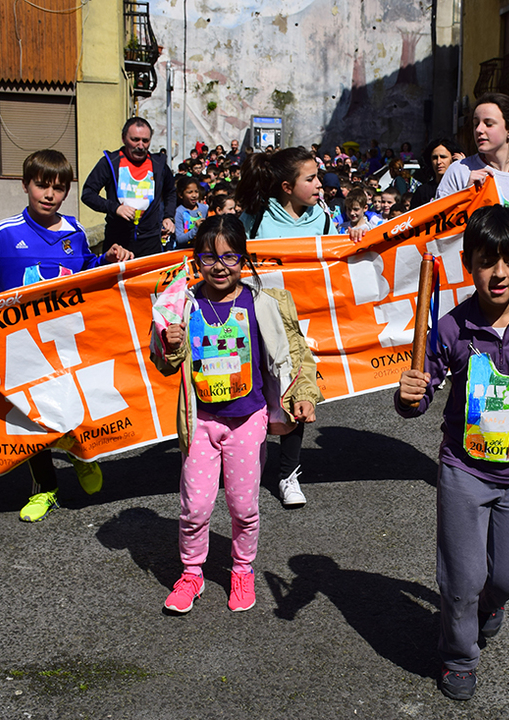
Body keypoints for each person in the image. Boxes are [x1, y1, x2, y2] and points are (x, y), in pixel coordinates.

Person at [395, 205, 509, 701]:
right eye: (486, 262)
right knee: (462, 578)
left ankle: (491, 603)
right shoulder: (451, 329)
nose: (498, 273)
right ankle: (459, 655)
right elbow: (421, 395)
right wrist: (409, 397)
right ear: (469, 265)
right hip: (464, 471)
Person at [0, 149, 134, 522]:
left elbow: (85, 269)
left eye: (58, 188)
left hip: (67, 344)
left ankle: (80, 451)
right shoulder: (5, 233)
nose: (49, 194)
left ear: (66, 192)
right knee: (32, 419)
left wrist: (106, 260)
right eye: (42, 185)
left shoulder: (74, 231)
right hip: (22, 348)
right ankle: (45, 490)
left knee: (74, 406)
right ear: (26, 185)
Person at [150, 215, 314, 613]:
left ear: (244, 258)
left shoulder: (265, 303)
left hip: (248, 421)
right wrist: (169, 341)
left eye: (230, 257)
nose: (220, 266)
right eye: (209, 258)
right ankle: (192, 573)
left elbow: (296, 354)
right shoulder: (181, 305)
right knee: (195, 508)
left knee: (244, 508)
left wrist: (303, 395)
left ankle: (242, 569)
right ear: (196, 261)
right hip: (200, 422)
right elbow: (165, 364)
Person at [235, 147, 361, 507]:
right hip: (257, 321)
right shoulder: (256, 217)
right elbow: (230, 253)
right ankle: (248, 465)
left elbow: (342, 256)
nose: (320, 184)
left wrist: (358, 233)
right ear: (287, 187)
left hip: (300, 326)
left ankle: (288, 475)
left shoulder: (323, 218)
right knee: (256, 393)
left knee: (297, 394)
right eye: (311, 178)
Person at [435, 92, 509, 302]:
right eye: (476, 124)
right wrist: (465, 197)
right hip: (467, 297)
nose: (479, 130)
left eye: (488, 124)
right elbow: (436, 235)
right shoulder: (459, 172)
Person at [81, 117, 176, 257]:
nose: (140, 146)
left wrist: (169, 217)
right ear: (123, 138)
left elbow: (170, 191)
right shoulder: (110, 163)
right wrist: (115, 208)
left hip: (150, 242)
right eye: (135, 139)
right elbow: (88, 194)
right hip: (118, 242)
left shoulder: (158, 164)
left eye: (145, 141)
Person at [409, 138, 462, 210]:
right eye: (435, 158)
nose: (439, 162)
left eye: (443, 157)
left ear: (453, 159)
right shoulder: (422, 191)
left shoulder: (461, 188)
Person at [173, 176, 208, 249]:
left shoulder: (204, 208)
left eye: (196, 191)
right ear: (181, 195)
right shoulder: (178, 212)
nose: (194, 195)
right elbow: (179, 239)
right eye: (190, 192)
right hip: (185, 251)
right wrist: (196, 228)